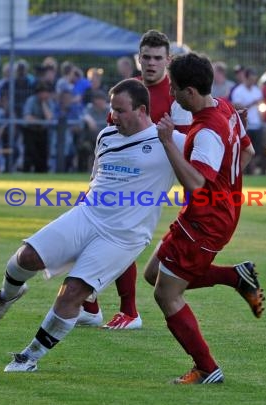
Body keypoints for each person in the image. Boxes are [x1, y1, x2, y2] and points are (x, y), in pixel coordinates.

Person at [0, 79, 187, 373]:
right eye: (112, 109)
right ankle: (7, 295)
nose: (113, 116)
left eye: (120, 110)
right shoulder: (106, 136)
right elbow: (96, 180)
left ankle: (29, 357)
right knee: (25, 257)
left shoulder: (171, 140)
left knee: (72, 293)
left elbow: (210, 158)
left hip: (123, 236)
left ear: (142, 110)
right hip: (88, 214)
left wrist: (234, 127)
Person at [142, 52, 262, 384]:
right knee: (154, 274)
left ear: (190, 92)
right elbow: (248, 152)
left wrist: (168, 143)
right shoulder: (226, 108)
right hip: (209, 215)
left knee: (166, 294)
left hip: (205, 223)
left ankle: (207, 368)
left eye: (175, 89)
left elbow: (196, 184)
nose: (172, 95)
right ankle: (236, 277)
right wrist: (224, 189)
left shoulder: (208, 131)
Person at [77, 29, 193, 330]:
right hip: (121, 175)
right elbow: (112, 137)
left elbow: (186, 143)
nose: (151, 63)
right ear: (137, 59)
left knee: (115, 230)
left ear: (168, 60)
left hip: (155, 176)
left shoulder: (177, 95)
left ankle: (127, 311)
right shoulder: (128, 91)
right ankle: (90, 306)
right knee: (88, 221)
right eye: (146, 57)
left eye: (157, 58)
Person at [230, 68, 264, 174]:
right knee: (244, 149)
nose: (252, 82)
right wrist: (252, 103)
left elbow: (261, 106)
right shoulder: (238, 91)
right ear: (246, 78)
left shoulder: (257, 90)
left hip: (257, 124)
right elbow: (237, 106)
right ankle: (244, 170)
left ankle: (252, 170)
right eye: (251, 79)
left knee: (257, 150)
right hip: (244, 125)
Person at [21, 82, 55, 173]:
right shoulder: (31, 101)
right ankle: (26, 172)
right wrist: (40, 121)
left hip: (43, 132)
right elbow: (27, 117)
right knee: (30, 154)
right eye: (42, 92)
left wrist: (43, 104)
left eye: (46, 92)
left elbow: (49, 118)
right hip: (30, 131)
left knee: (43, 155)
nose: (44, 94)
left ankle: (41, 173)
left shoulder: (49, 102)